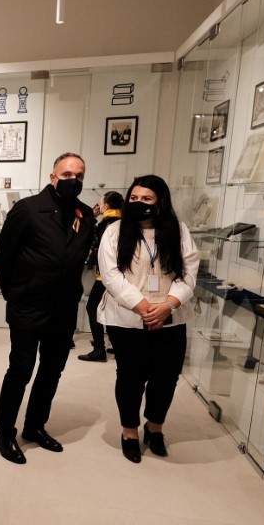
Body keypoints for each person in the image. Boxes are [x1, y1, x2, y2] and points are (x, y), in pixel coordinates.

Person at [0, 152, 95, 464]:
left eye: (78, 176)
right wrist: (15, 294)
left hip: (64, 307)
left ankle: (35, 426)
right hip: (29, 304)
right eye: (66, 175)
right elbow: (3, 256)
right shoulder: (28, 209)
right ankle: (4, 432)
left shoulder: (85, 215)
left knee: (52, 369)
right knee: (21, 369)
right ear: (53, 177)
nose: (72, 180)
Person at [96, 174, 198, 464]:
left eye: (147, 199)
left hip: (171, 317)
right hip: (127, 319)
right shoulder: (115, 231)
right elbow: (111, 275)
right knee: (130, 377)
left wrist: (168, 305)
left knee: (166, 377)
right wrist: (142, 306)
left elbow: (189, 272)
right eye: (134, 198)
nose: (139, 203)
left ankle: (155, 428)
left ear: (160, 202)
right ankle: (129, 431)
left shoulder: (178, 230)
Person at [78, 191, 123, 362]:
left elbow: (85, 238)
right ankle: (117, 345)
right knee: (112, 308)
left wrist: (90, 218)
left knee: (92, 307)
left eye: (100, 203)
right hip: (120, 275)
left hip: (105, 276)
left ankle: (99, 349)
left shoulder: (106, 225)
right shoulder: (124, 223)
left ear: (106, 206)